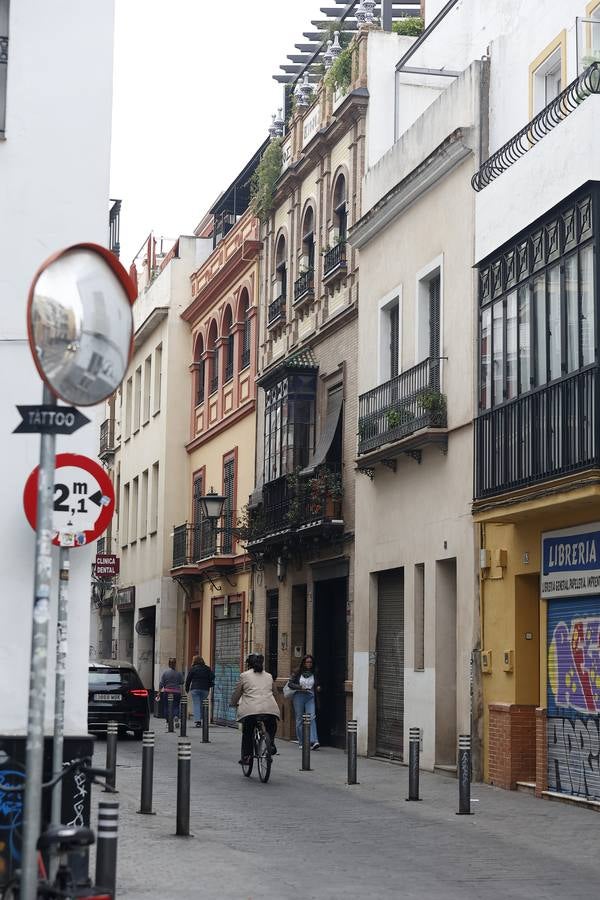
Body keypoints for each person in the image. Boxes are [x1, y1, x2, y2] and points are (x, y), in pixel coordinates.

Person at [230, 653, 280, 765]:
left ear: (248, 664)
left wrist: (233, 703)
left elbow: (237, 693)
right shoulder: (269, 676)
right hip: (269, 709)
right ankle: (271, 743)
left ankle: (247, 756)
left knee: (247, 732)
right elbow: (275, 693)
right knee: (271, 725)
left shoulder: (244, 676)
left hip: (250, 711)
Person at [288, 653, 320, 750]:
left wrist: (318, 687)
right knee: (299, 719)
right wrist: (300, 687)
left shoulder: (315, 672)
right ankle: (302, 741)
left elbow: (317, 683)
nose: (309, 664)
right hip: (299, 696)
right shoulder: (297, 672)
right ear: (304, 663)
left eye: (310, 662)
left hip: (310, 696)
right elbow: (290, 684)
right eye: (307, 662)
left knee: (312, 717)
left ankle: (314, 741)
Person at [185, 655, 214, 727]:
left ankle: (198, 721)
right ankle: (203, 719)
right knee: (203, 704)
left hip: (195, 689)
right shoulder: (207, 668)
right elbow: (212, 676)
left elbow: (188, 679)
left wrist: (187, 688)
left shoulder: (193, 669)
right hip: (205, 689)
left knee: (197, 704)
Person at [159, 658, 184, 725]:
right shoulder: (179, 673)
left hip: (167, 691)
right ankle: (176, 716)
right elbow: (182, 682)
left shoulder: (165, 673)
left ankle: (167, 721)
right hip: (177, 692)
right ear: (175, 664)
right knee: (176, 705)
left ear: (169, 664)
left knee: (166, 706)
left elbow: (161, 683)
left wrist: (159, 692)